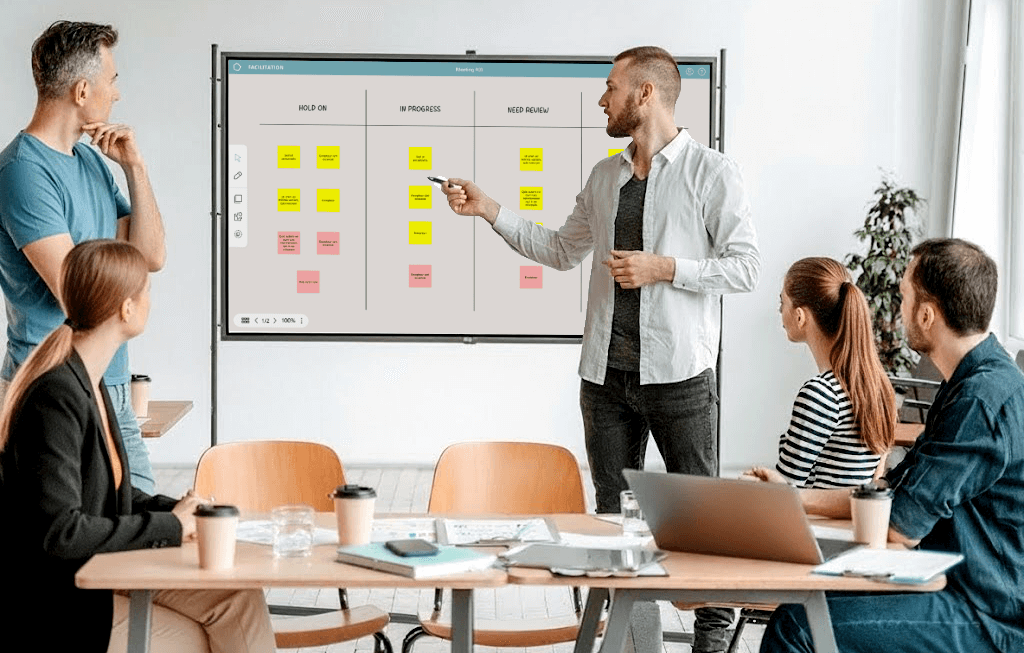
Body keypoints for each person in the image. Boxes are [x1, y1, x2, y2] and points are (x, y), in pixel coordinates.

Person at [441, 46, 760, 653]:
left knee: (702, 524)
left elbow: (745, 269)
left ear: (645, 94)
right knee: (614, 524)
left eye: (610, 87)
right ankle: (637, 647)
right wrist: (489, 211)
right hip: (606, 378)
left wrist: (665, 267)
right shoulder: (605, 176)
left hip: (680, 378)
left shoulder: (712, 173)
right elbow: (561, 250)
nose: (601, 99)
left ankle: (712, 644)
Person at [0, 240, 275, 653]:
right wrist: (170, 528)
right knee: (199, 639)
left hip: (102, 572)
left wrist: (180, 513)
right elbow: (62, 533)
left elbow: (112, 499)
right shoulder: (55, 397)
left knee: (239, 596)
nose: (151, 300)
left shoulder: (88, 380)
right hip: (62, 606)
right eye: (146, 290)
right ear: (126, 308)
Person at [759, 238, 1024, 652]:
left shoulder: (980, 399)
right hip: (951, 584)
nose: (897, 310)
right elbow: (884, 494)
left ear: (926, 313)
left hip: (984, 612)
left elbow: (899, 526)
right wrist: (795, 498)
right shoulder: (968, 383)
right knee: (801, 609)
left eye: (903, 296)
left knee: (799, 626)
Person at [0, 20, 164, 493]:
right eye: (112, 81)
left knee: (139, 520)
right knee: (79, 538)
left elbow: (149, 256)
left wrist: (135, 167)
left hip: (108, 377)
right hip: (51, 381)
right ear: (82, 89)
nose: (117, 94)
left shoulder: (91, 161)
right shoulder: (22, 172)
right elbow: (78, 292)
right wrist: (131, 294)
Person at [746, 257, 896, 488]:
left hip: (817, 523)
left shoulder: (820, 394)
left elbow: (785, 492)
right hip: (850, 520)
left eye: (782, 302)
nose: (779, 311)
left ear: (800, 316)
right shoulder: (877, 385)